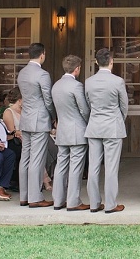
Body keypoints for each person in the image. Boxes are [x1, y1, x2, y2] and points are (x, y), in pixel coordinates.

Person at [84, 48, 129, 213]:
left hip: (94, 126)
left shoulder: (89, 82)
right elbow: (124, 105)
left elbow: (87, 104)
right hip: (112, 126)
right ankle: (110, 204)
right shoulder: (118, 81)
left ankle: (94, 203)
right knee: (111, 167)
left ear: (96, 62)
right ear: (112, 61)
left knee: (93, 167)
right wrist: (118, 119)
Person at [16, 42, 55, 208]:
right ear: (42, 54)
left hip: (26, 118)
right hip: (39, 119)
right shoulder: (42, 74)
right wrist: (53, 116)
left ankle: (24, 196)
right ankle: (35, 197)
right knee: (37, 159)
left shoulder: (22, 73)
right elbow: (48, 99)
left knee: (25, 157)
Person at [51, 55, 90, 211]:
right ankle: (73, 201)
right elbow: (84, 110)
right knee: (75, 167)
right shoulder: (76, 86)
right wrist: (89, 123)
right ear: (77, 68)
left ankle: (58, 200)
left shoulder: (56, 85)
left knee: (60, 165)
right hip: (77, 130)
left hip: (62, 130)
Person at [2, 88, 23, 191]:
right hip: (14, 139)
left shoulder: (25, 111)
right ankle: (16, 181)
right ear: (19, 100)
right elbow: (11, 131)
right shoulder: (8, 112)